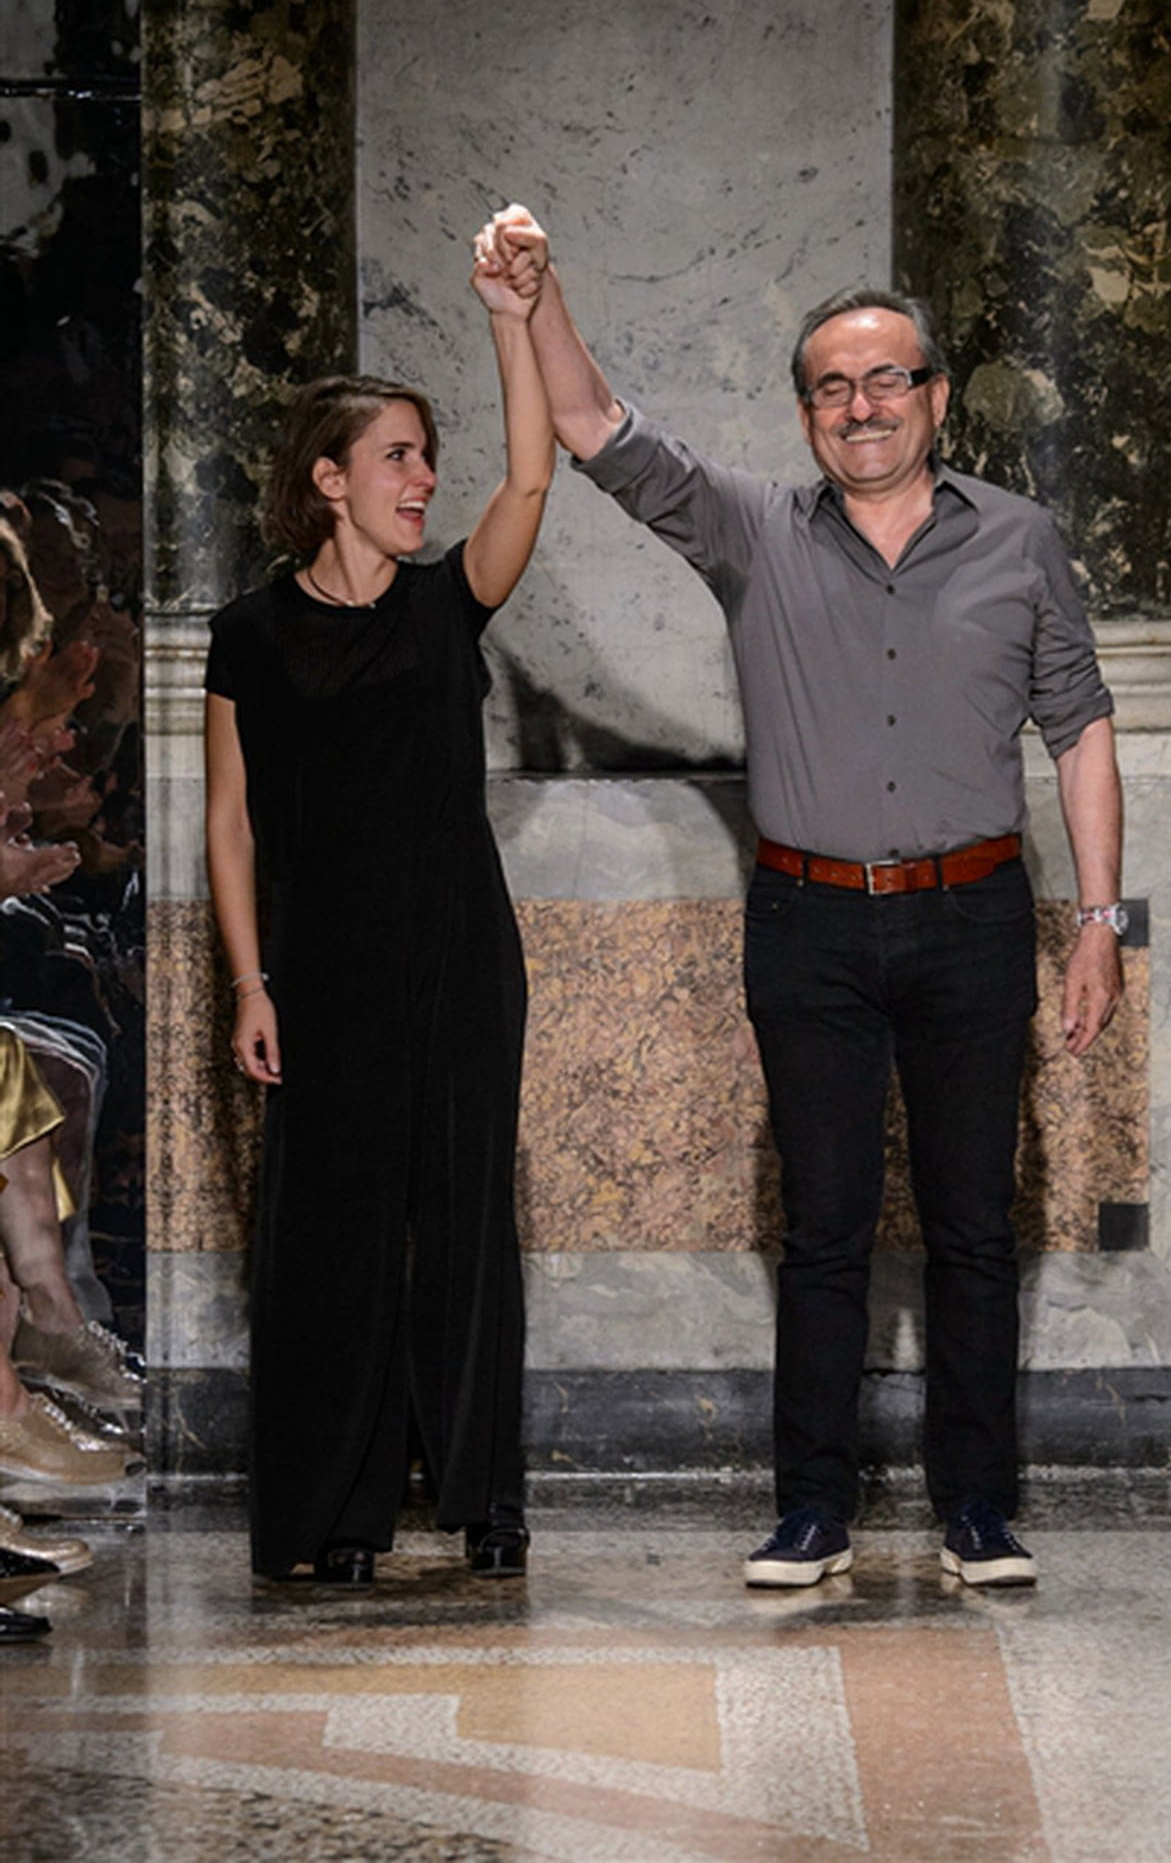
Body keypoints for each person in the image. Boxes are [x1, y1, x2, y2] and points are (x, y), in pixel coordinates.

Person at [476, 206, 1124, 1590]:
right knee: (823, 1230)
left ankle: (978, 1511)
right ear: (806, 413)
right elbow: (591, 427)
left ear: (936, 398)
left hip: (973, 917)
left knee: (974, 1230)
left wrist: (1100, 922)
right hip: (808, 923)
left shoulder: (1021, 541)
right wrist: (536, 298)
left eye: (887, 379)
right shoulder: (754, 530)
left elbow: (1081, 728)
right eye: (832, 386)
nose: (861, 405)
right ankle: (812, 1513)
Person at [204, 224, 554, 1584]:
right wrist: (251, 983)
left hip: (460, 954)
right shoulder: (249, 632)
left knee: (466, 1223)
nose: (423, 479)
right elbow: (232, 822)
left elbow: (532, 473)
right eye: (398, 457)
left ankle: (484, 1500)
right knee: (330, 1237)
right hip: (322, 969)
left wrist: (509, 319)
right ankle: (336, 1512)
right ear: (329, 480)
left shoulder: (445, 603)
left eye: (426, 456)